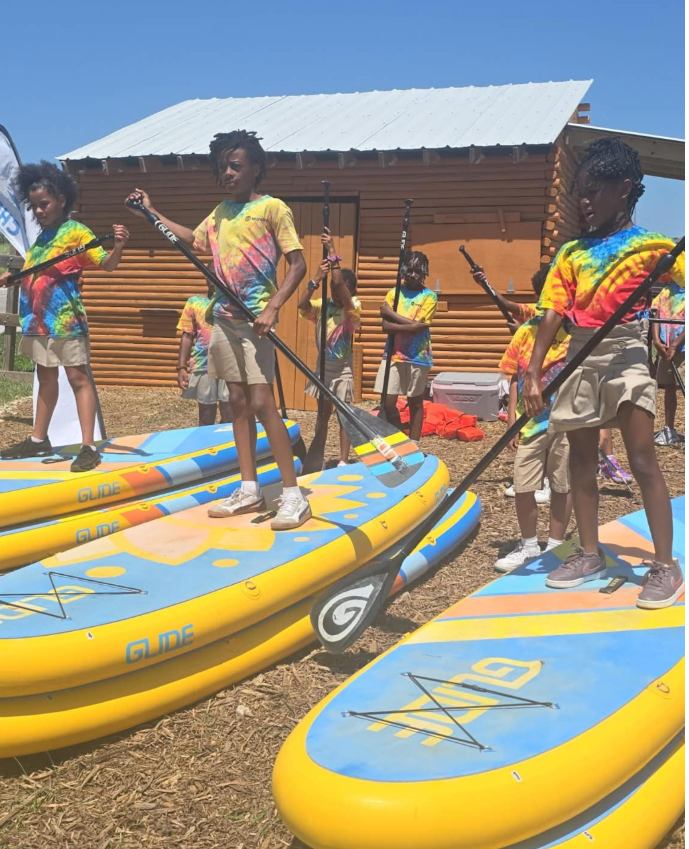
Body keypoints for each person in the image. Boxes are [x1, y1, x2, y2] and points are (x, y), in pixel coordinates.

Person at [522, 138, 684, 609]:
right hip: (580, 353)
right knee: (580, 458)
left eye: (595, 190)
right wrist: (533, 372)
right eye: (580, 191)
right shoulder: (571, 251)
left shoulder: (653, 246)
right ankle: (590, 552)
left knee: (641, 458)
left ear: (626, 189)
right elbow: (552, 310)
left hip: (628, 352)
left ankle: (664, 565)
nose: (584, 200)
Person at [126, 130, 309, 530]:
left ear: (255, 168)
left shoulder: (272, 209)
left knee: (263, 403)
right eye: (223, 167)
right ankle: (249, 487)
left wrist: (274, 308)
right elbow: (193, 240)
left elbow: (298, 264)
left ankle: (294, 495)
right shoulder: (221, 212)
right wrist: (151, 213)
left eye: (236, 166)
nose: (228, 173)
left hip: (255, 319)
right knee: (237, 404)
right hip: (223, 318)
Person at [0, 161, 129, 472]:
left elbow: (106, 264)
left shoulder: (75, 232)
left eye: (44, 204)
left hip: (66, 322)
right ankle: (38, 439)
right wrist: (15, 278)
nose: (39, 211)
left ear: (61, 199)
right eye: (34, 206)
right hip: (37, 322)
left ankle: (88, 446)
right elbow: (40, 273)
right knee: (45, 379)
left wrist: (119, 246)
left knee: (77, 378)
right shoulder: (42, 238)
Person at [495, 298, 572, 572]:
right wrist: (511, 420)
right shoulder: (526, 331)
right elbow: (516, 377)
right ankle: (528, 545)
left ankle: (555, 544)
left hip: (567, 424)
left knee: (562, 485)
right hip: (530, 424)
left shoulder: (576, 334)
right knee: (523, 485)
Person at [298, 229, 361, 467]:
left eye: (341, 290)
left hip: (342, 370)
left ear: (350, 292)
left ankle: (343, 461)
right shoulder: (322, 305)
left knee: (344, 416)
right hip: (323, 369)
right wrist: (315, 280)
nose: (335, 293)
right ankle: (318, 456)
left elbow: (338, 282)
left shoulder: (353, 308)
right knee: (322, 415)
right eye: (333, 291)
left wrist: (332, 252)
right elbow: (301, 304)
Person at [374, 251, 437, 442]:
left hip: (418, 356)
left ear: (425, 273)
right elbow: (385, 327)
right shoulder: (394, 293)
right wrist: (411, 325)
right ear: (403, 271)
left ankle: (415, 444)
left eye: (418, 271)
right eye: (409, 270)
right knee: (387, 401)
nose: (413, 275)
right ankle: (399, 437)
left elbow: (419, 328)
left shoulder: (430, 296)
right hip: (393, 354)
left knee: (415, 402)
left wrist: (389, 313)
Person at [177, 278, 233, 426]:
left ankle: (226, 445)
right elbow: (187, 335)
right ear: (206, 277)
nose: (215, 280)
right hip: (203, 364)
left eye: (219, 275)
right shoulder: (195, 302)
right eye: (211, 275)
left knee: (230, 414)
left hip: (230, 363)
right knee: (206, 415)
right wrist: (181, 367)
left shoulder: (234, 302)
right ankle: (208, 446)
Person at [651, 280, 685, 446]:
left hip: (682, 348)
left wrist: (676, 344)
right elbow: (656, 315)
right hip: (667, 348)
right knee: (669, 387)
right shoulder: (666, 290)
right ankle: (669, 429)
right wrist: (657, 341)